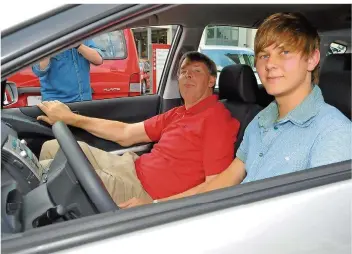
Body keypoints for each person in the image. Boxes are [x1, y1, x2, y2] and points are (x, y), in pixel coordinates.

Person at [121, 12, 352, 208]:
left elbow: (319, 226)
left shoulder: (334, 133)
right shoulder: (262, 119)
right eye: (264, 55)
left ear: (312, 60)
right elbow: (225, 181)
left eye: (285, 52)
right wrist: (157, 208)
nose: (270, 64)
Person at [37, 51, 240, 205]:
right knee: (51, 147)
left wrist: (154, 206)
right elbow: (126, 134)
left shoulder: (217, 119)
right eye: (183, 72)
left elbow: (215, 187)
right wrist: (71, 118)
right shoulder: (179, 113)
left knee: (50, 174)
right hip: (131, 166)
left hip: (145, 192)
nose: (187, 76)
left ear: (211, 80)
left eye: (196, 72)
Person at [32, 40, 103, 103]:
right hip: (57, 103)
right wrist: (49, 48)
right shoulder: (46, 39)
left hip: (83, 100)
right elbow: (39, 71)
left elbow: (98, 60)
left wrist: (78, 45)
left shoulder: (83, 37)